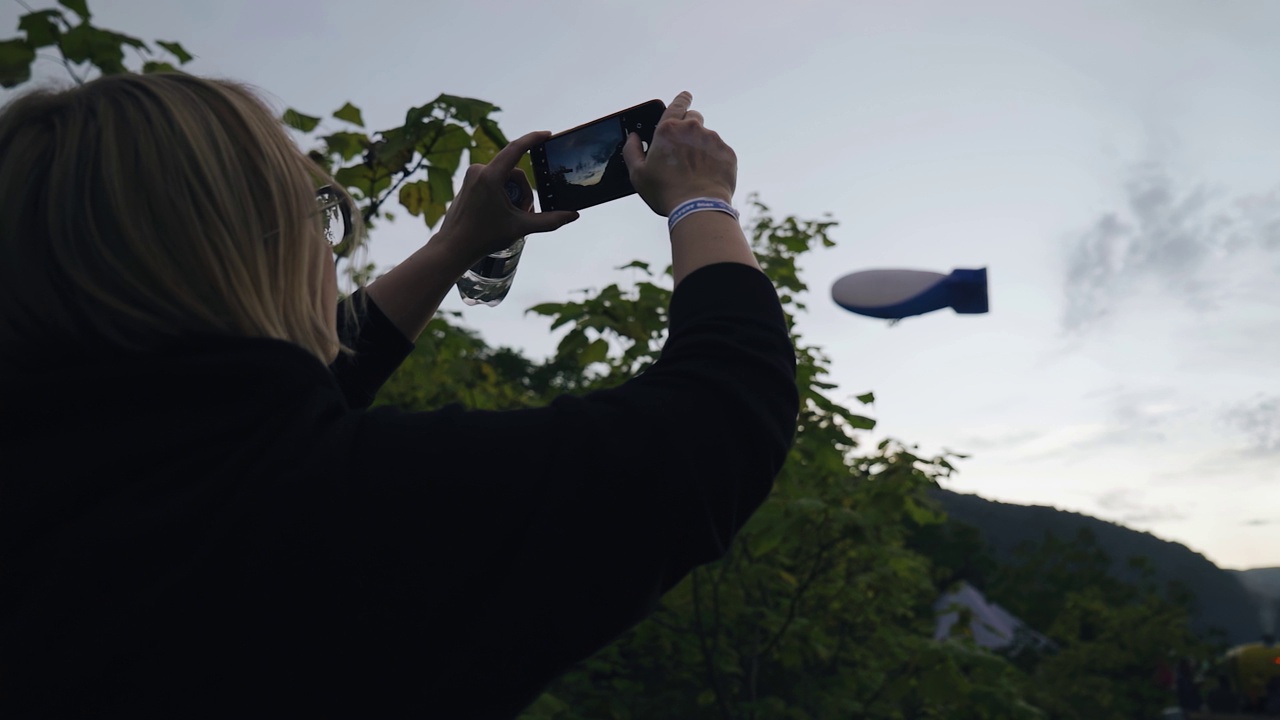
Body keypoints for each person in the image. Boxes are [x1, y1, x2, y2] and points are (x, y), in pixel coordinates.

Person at [0, 75, 798, 719]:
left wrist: (457, 244)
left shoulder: (74, 477)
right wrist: (703, 201)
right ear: (245, 257)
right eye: (320, 219)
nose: (331, 257)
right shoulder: (344, 512)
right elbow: (721, 420)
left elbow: (254, 402)